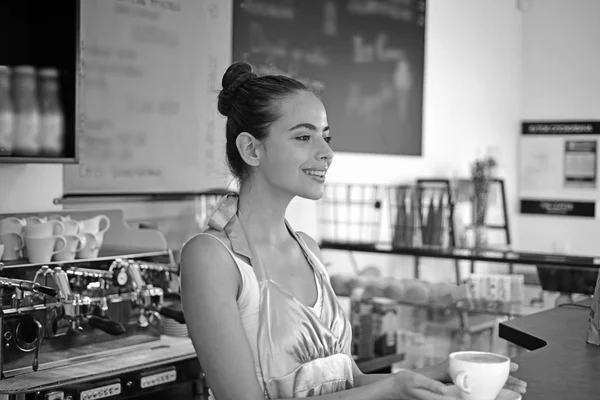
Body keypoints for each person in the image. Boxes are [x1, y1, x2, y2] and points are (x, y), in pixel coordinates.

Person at [180, 62, 527, 400]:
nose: (327, 152)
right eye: (304, 136)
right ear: (251, 149)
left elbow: (346, 381)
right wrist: (390, 390)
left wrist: (440, 374)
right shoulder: (211, 258)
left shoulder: (308, 250)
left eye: (326, 138)